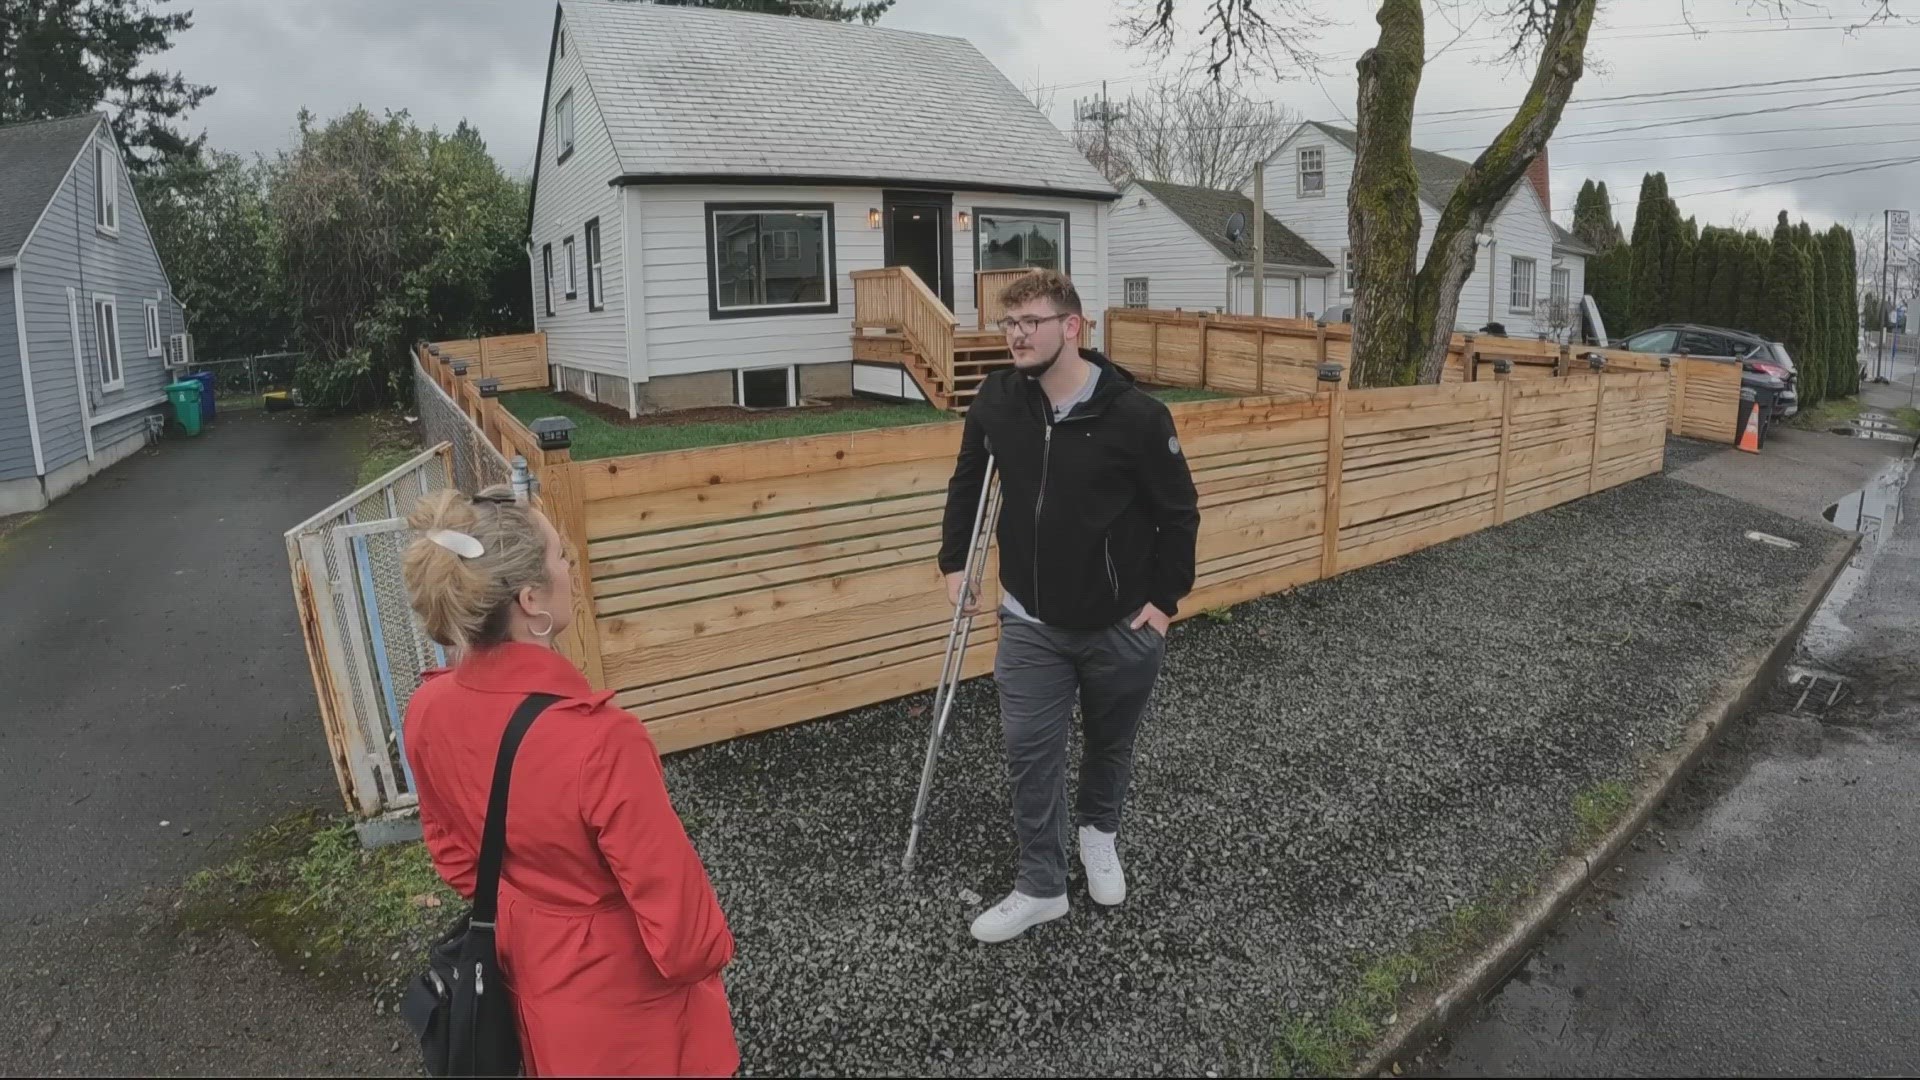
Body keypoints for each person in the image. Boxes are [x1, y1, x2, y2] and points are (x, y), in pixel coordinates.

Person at [399, 486, 738, 1077]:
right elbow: (685, 939)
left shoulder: (427, 709)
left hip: (526, 987)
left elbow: (455, 857)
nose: (573, 568)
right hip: (634, 1019)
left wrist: (529, 915)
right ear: (531, 601)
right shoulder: (602, 741)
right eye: (562, 558)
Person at [939, 270, 1200, 944]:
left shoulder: (1136, 416)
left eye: (1032, 322)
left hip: (1119, 623)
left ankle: (1098, 835)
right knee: (1030, 750)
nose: (1018, 335)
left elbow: (1179, 511)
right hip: (1030, 621)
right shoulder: (997, 401)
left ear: (1072, 327)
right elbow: (968, 482)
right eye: (1010, 323)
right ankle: (1041, 884)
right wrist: (953, 562)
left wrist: (1164, 603)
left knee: (1110, 743)